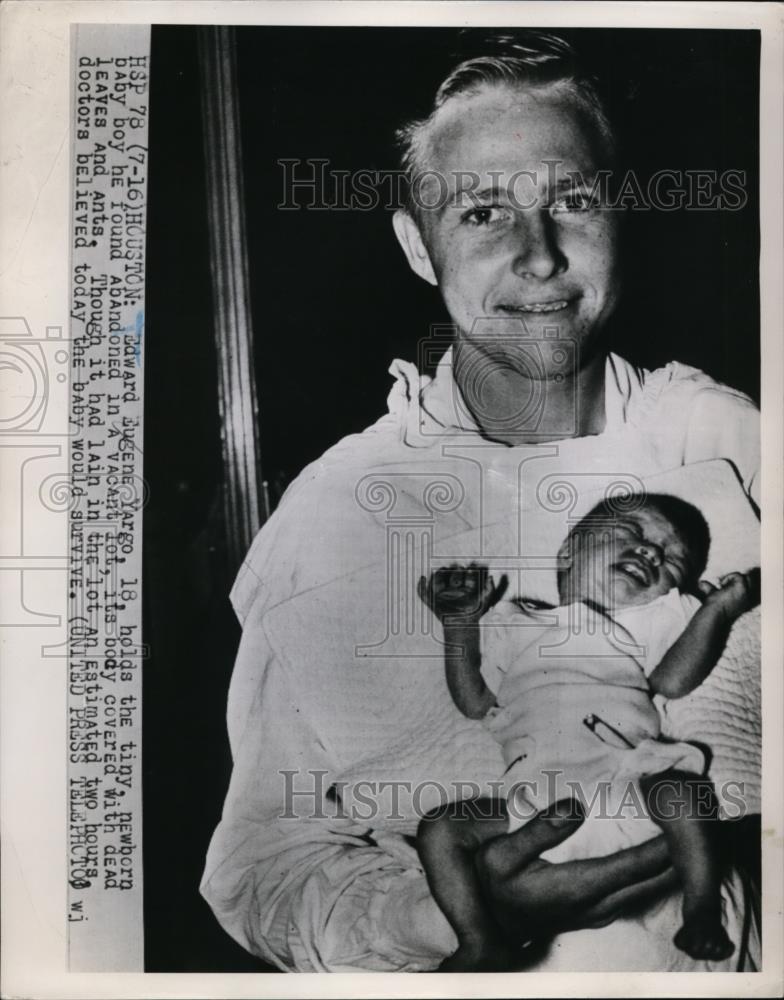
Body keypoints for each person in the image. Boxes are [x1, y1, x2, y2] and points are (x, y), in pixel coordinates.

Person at [201, 32, 760, 971]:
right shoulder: (335, 514)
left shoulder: (732, 446)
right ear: (418, 246)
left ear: (620, 218)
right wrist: (442, 915)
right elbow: (263, 869)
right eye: (483, 213)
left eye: (572, 202)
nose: (538, 258)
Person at [416, 494, 758, 971]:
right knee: (440, 828)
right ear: (568, 553)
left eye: (671, 559)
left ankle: (700, 907)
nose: (651, 553)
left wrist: (716, 612)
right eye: (633, 534)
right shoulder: (517, 620)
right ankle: (478, 940)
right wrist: (458, 626)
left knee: (680, 791)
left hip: (623, 785)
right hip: (527, 800)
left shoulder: (653, 618)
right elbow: (475, 702)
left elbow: (673, 681)